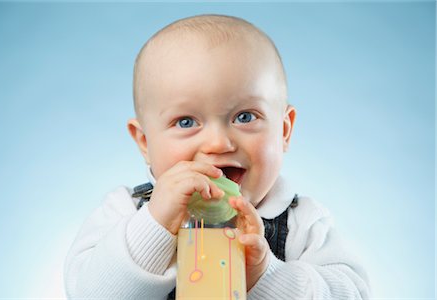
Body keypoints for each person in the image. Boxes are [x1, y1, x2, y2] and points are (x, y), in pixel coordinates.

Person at [64, 14, 371, 299]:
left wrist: (267, 276)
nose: (219, 143)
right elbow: (88, 293)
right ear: (145, 141)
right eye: (186, 122)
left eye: (245, 116)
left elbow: (354, 294)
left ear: (284, 131)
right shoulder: (125, 211)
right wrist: (153, 226)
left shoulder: (304, 224)